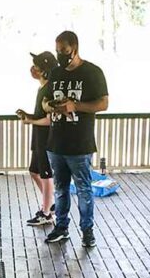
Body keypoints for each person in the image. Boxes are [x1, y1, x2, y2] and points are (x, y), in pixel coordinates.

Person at [42, 31, 109, 249]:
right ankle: (61, 227)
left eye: (63, 50)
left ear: (75, 47)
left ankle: (87, 230)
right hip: (56, 143)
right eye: (57, 50)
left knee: (84, 189)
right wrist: (49, 106)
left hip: (80, 144)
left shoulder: (93, 72)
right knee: (60, 189)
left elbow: (103, 104)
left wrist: (75, 106)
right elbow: (45, 99)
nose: (60, 55)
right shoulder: (55, 74)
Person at [16, 51, 56, 227]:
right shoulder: (42, 88)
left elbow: (50, 119)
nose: (33, 69)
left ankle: (46, 212)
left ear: (45, 71)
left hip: (47, 138)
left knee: (46, 174)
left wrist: (31, 120)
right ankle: (51, 202)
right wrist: (29, 116)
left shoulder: (51, 89)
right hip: (38, 137)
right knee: (34, 171)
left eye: (37, 67)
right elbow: (40, 115)